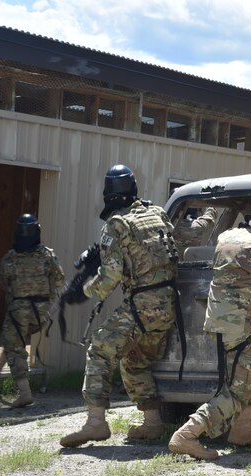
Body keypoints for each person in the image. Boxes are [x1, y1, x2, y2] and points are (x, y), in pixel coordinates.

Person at [168, 197, 251, 460]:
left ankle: (243, 428)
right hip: (245, 326)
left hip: (221, 321)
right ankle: (187, 435)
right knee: (238, 392)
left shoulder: (226, 237)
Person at [60, 164, 179, 448]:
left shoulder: (117, 224)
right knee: (135, 360)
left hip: (142, 307)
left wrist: (82, 291)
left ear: (108, 192)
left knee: (100, 349)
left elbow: (109, 278)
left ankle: (96, 423)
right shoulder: (158, 213)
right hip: (168, 307)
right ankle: (153, 423)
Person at [0, 214, 64, 407]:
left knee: (14, 346)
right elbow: (59, 280)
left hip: (18, 311)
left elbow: (5, 283)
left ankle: (24, 392)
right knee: (20, 340)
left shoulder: (9, 258)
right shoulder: (47, 255)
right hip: (42, 313)